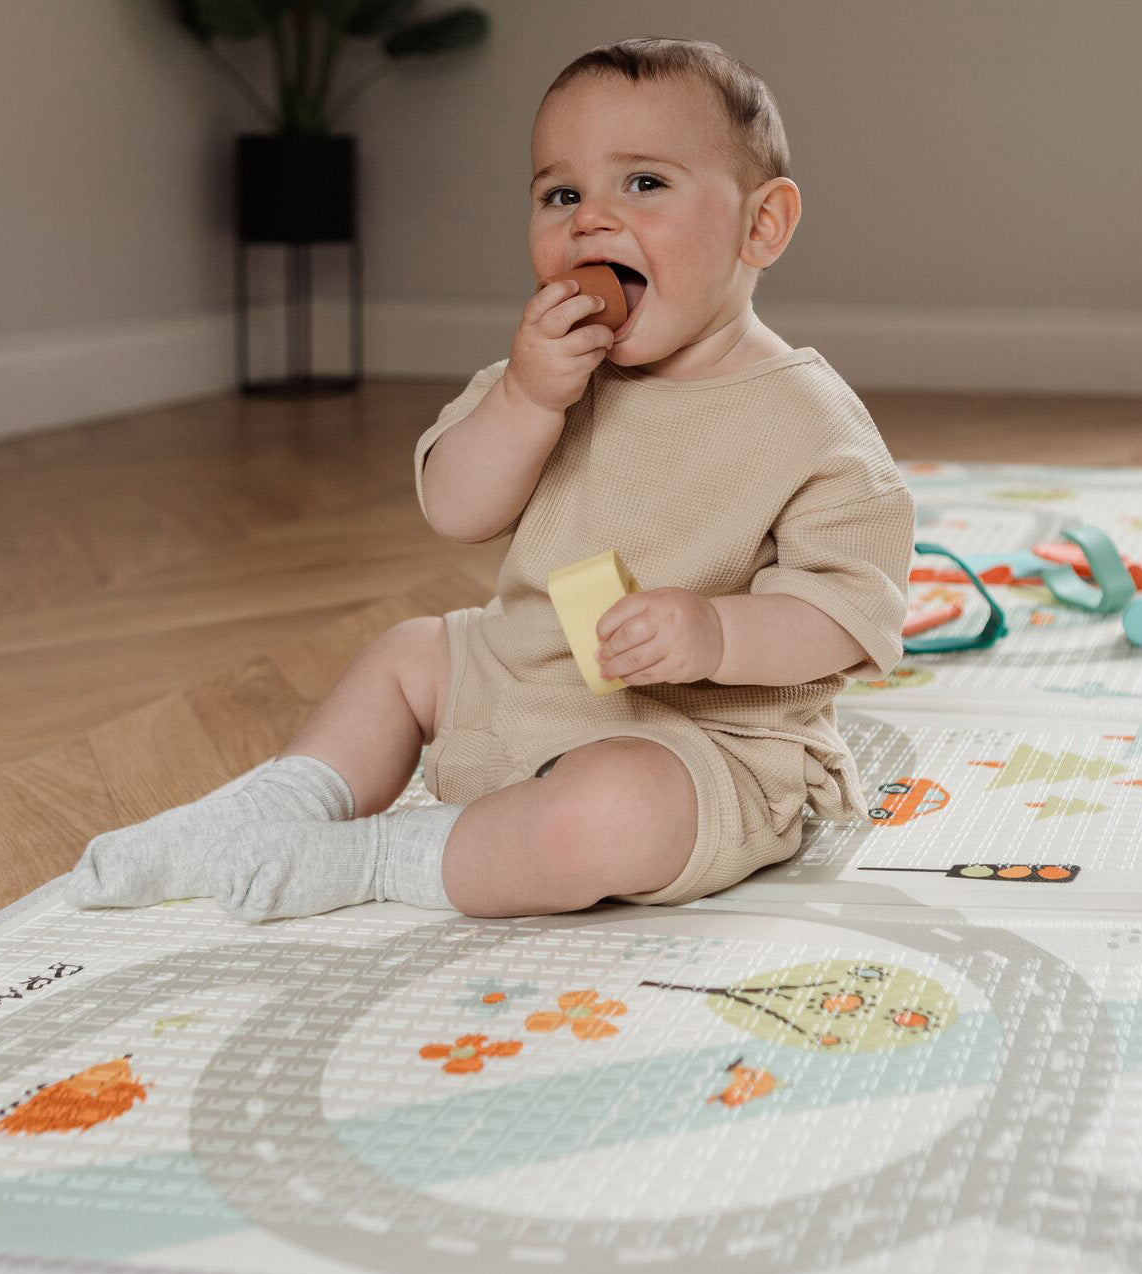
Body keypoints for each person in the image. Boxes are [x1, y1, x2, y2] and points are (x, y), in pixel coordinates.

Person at [64, 37, 914, 923]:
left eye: (645, 183)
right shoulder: (547, 375)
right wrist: (526, 397)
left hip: (694, 741)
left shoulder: (809, 422)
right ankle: (271, 811)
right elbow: (456, 508)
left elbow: (846, 613)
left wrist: (715, 633)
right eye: (560, 193)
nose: (591, 219)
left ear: (760, 225)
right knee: (406, 653)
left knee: (606, 816)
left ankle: (377, 857)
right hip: (521, 672)